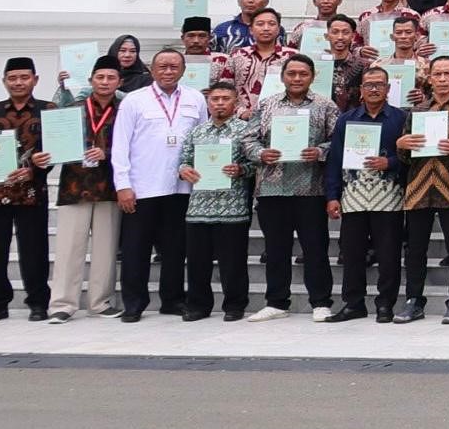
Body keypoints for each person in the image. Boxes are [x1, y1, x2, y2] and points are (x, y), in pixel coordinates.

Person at [395, 54, 449, 324]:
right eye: (438, 74)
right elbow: (405, 158)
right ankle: (413, 300)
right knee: (415, 249)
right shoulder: (417, 111)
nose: (443, 79)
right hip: (419, 188)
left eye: (448, 74)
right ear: (429, 78)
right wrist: (402, 145)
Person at [252, 51, 338, 321]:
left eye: (303, 73)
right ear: (282, 77)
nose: (297, 78)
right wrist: (260, 153)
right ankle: (277, 302)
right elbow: (248, 140)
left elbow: (338, 140)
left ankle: (321, 302)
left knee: (315, 247)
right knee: (276, 248)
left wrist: (321, 151)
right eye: (292, 73)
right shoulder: (266, 105)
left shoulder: (325, 106)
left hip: (310, 188)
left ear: (313, 77)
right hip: (271, 188)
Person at [111, 48, 194, 321]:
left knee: (174, 249)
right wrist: (123, 185)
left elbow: (203, 141)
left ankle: (172, 300)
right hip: (142, 187)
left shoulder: (195, 99)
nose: (168, 72)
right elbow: (120, 145)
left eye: (174, 67)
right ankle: (134, 303)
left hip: (180, 188)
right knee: (136, 249)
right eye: (162, 67)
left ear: (182, 69)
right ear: (152, 70)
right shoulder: (134, 101)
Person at [0, 57, 53, 323]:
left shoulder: (48, 110)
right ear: (4, 81)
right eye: (13, 78)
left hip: (31, 192)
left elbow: (56, 151)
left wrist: (35, 169)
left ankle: (38, 303)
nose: (18, 82)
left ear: (35, 80)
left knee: (34, 250)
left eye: (24, 77)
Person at [323, 64, 407, 324]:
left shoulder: (401, 118)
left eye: (379, 84)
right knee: (352, 253)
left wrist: (390, 162)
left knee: (388, 253)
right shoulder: (347, 119)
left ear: (388, 88)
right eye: (368, 85)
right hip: (354, 195)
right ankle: (353, 303)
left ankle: (385, 305)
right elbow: (335, 160)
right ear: (360, 90)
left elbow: (411, 157)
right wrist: (332, 195)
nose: (373, 89)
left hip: (388, 195)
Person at [48, 57, 125, 322]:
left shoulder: (126, 109)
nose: (105, 83)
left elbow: (135, 146)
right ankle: (62, 303)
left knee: (106, 247)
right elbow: (55, 141)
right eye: (100, 77)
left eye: (111, 78)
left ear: (120, 82)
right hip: (74, 185)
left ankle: (101, 302)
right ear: (91, 80)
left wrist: (107, 153)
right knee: (69, 247)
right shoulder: (72, 109)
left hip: (110, 186)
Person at [176, 80, 260, 320]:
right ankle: (198, 306)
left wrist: (241, 170)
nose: (220, 103)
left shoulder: (245, 131)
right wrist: (184, 170)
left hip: (232, 207)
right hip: (199, 206)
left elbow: (256, 164)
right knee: (197, 261)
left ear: (237, 102)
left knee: (232, 262)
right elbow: (184, 159)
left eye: (226, 99)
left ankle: (234, 305)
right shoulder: (197, 131)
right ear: (208, 103)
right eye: (215, 99)